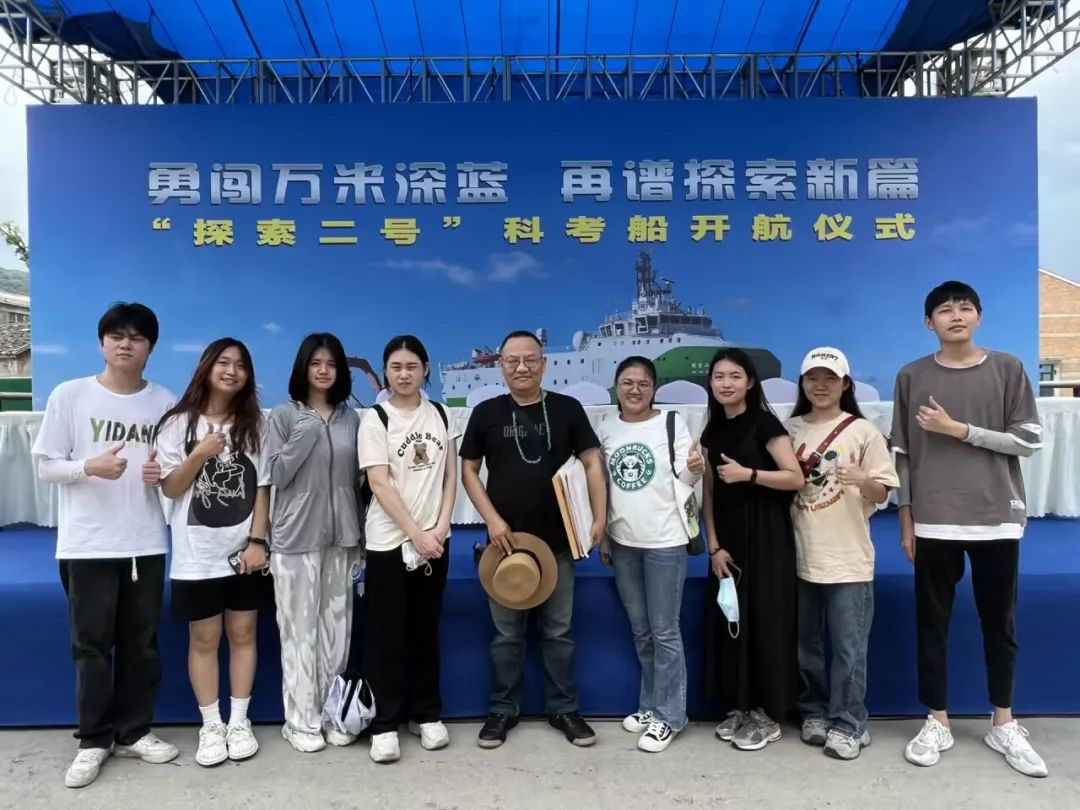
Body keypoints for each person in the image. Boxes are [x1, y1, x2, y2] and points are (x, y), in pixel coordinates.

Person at [892, 281, 1047, 777]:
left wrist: (960, 430)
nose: (955, 315)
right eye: (944, 309)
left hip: (995, 517)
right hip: (934, 520)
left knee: (999, 624)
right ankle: (936, 720)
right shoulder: (911, 375)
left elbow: (1028, 441)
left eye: (964, 308)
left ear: (979, 316)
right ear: (928, 322)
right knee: (931, 624)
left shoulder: (1008, 369)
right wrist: (906, 514)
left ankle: (1003, 721)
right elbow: (902, 454)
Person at [32, 302, 179, 788]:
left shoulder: (165, 403)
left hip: (144, 542)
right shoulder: (70, 395)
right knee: (91, 646)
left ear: (150, 347)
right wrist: (87, 467)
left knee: (141, 644)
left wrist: (162, 476)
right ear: (101, 343)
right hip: (87, 545)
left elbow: (174, 473)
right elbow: (46, 466)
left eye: (136, 337)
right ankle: (94, 740)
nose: (125, 344)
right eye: (116, 335)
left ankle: (135, 732)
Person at [460, 330, 607, 749]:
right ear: (501, 366)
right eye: (512, 361)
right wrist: (492, 521)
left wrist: (599, 517)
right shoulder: (486, 413)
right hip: (504, 548)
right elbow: (469, 471)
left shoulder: (567, 409)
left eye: (529, 360)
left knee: (559, 632)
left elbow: (592, 463)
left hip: (557, 544)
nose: (521, 368)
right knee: (506, 636)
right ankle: (501, 712)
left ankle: (565, 710)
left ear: (543, 364)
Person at [155, 338, 272, 767]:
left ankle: (239, 721)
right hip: (196, 555)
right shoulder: (177, 424)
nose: (231, 371)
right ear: (206, 367)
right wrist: (201, 453)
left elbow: (263, 487)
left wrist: (257, 542)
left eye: (240, 365)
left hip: (244, 553)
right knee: (204, 640)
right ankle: (211, 724)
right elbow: (170, 487)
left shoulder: (255, 424)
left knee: (243, 634)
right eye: (223, 362)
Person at [786, 347, 898, 761]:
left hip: (848, 559)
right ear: (802, 383)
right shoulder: (788, 429)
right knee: (807, 646)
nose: (820, 385)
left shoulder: (864, 432)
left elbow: (882, 493)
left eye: (830, 378)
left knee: (849, 650)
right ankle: (814, 712)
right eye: (812, 378)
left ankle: (849, 722)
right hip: (799, 557)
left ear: (845, 384)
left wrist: (863, 479)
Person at [359, 336, 459, 764]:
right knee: (386, 634)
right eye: (396, 367)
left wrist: (441, 526)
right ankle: (385, 723)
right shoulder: (376, 419)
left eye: (411, 366)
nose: (403, 374)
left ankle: (426, 713)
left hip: (434, 543)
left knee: (425, 628)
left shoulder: (441, 413)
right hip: (389, 543)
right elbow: (379, 484)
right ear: (386, 371)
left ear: (425, 369)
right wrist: (415, 533)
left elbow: (451, 476)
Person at [597, 357, 704, 753]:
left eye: (643, 383)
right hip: (623, 542)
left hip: (665, 542)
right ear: (616, 387)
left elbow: (687, 476)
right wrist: (604, 538)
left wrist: (696, 468)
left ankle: (671, 716)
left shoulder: (672, 423)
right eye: (627, 382)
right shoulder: (606, 428)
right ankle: (651, 706)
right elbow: (603, 486)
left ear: (654, 389)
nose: (635, 389)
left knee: (664, 632)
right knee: (642, 632)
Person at [700, 348, 804, 751]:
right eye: (719, 376)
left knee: (766, 621)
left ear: (750, 382)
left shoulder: (765, 424)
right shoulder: (712, 431)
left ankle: (768, 713)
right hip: (729, 542)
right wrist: (713, 546)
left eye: (735, 376)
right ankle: (741, 705)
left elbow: (794, 478)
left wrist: (749, 474)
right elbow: (709, 494)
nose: (726, 383)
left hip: (767, 538)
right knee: (734, 622)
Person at [266, 333, 363, 754]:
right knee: (299, 631)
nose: (323, 371)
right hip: (295, 539)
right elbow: (275, 474)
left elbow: (359, 480)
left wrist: (361, 536)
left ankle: (331, 714)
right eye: (315, 363)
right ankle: (300, 721)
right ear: (302, 368)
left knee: (336, 632)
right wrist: (306, 430)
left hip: (343, 537)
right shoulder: (284, 416)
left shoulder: (351, 418)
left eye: (332, 364)